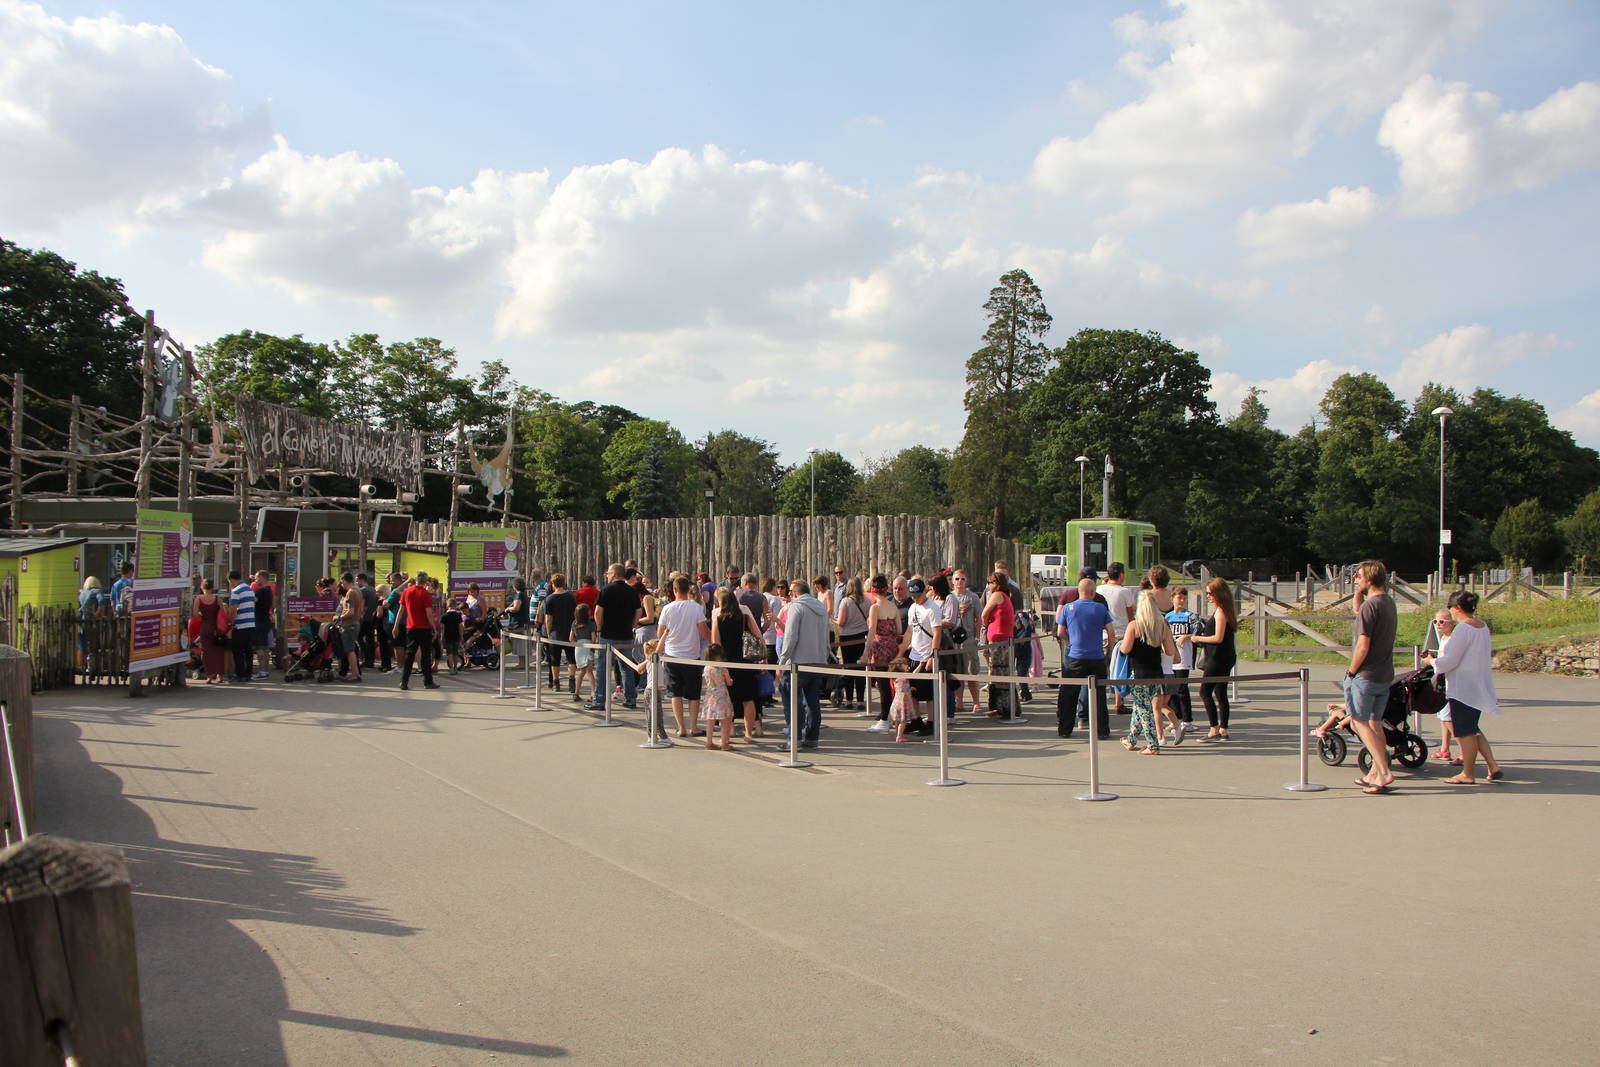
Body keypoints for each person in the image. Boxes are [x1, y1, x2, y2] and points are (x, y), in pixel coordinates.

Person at [1425, 590, 1504, 785]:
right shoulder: (1481, 626)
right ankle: (1492, 765)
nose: (1450, 611)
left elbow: (1451, 660)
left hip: (1463, 687)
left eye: (1450, 607)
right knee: (1473, 728)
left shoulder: (1463, 629)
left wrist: (1431, 662)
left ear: (1458, 608)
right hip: (1478, 684)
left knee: (1465, 732)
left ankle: (1468, 773)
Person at [1337, 561, 1396, 793]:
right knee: (1375, 722)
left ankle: (1383, 771)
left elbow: (1363, 645)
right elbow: (1359, 611)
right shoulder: (1387, 602)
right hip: (1384, 673)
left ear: (1370, 579)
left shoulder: (1371, 607)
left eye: (1359, 576)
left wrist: (1351, 671)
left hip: (1366, 674)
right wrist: (1357, 593)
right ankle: (1375, 771)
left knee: (1358, 721)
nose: (1355, 579)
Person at [1120, 591, 1182, 753]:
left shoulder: (1134, 625)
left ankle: (1153, 745)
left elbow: (1125, 649)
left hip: (1139, 673)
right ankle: (1131, 739)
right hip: (1156, 672)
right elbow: (1170, 651)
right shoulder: (1161, 625)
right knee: (1139, 705)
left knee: (1143, 708)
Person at [1056, 575, 1115, 738]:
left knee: (1069, 693)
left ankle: (1065, 729)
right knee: (1099, 695)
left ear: (1079, 591)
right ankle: (1102, 730)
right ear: (1093, 592)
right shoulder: (1101, 608)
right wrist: (1108, 651)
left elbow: (1060, 632)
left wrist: (1070, 642)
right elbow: (1111, 633)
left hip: (1075, 656)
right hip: (1096, 656)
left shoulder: (1068, 608)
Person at [778, 576, 831, 749]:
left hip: (799, 662)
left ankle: (794, 738)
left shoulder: (796, 607)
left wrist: (782, 661)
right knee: (812, 700)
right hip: (818, 660)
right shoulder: (821, 608)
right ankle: (812, 737)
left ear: (794, 593)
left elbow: (790, 636)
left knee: (792, 700)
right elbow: (827, 635)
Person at [657, 575, 712, 737]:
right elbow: (704, 631)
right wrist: (715, 644)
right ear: (688, 589)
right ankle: (693, 726)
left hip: (672, 655)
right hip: (692, 656)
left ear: (674, 590)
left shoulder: (667, 609)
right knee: (694, 694)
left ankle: (681, 727)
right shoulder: (696, 608)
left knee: (675, 693)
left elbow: (660, 633)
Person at [711, 588, 764, 741]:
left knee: (728, 700)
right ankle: (748, 733)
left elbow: (716, 644)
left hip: (727, 663)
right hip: (746, 662)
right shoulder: (745, 618)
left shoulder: (718, 619)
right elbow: (759, 637)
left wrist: (717, 665)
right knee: (748, 699)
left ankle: (729, 731)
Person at [1191, 578, 1239, 742]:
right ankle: (1223, 729)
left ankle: (1214, 729)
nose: (1208, 596)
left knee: (1205, 692)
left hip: (1217, 657)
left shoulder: (1220, 612)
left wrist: (1198, 638)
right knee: (1220, 693)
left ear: (1219, 593)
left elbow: (1218, 637)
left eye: (1210, 593)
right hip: (1224, 656)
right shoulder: (1225, 610)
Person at [591, 564, 642, 710]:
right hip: (626, 634)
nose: (607, 576)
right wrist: (632, 625)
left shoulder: (606, 590)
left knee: (603, 668)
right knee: (626, 667)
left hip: (608, 634)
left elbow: (597, 611)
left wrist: (600, 627)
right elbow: (639, 611)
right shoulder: (632, 591)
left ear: (613, 574)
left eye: (608, 573)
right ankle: (630, 698)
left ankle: (600, 700)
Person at [898, 577, 943, 735]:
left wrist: (932, 655)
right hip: (914, 654)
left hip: (927, 655)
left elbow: (937, 633)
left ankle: (931, 722)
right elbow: (910, 631)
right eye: (913, 596)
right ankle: (916, 720)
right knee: (912, 691)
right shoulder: (913, 608)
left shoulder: (932, 608)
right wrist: (901, 652)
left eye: (917, 595)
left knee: (929, 693)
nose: (915, 599)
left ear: (924, 592)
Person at [863, 575, 903, 732]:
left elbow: (872, 631)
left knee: (883, 686)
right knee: (890, 685)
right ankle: (889, 717)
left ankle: (884, 719)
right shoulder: (893, 607)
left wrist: (865, 653)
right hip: (892, 647)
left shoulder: (875, 608)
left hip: (879, 648)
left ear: (873, 590)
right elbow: (899, 630)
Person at [1099, 562, 1137, 713]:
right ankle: (1118, 701)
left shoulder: (1099, 589)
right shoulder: (1125, 592)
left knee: (1103, 667)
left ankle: (1100, 698)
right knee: (1120, 668)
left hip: (1103, 634)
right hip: (1121, 634)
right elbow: (1130, 614)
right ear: (1121, 574)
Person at [947, 570, 985, 714]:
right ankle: (959, 702)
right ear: (952, 581)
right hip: (954, 640)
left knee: (972, 672)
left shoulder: (973, 597)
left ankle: (976, 703)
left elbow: (979, 618)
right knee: (958, 673)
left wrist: (977, 637)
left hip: (969, 639)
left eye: (963, 579)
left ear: (966, 581)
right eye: (957, 579)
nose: (960, 582)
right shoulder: (949, 597)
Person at [980, 570, 1017, 718]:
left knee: (998, 672)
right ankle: (1001, 706)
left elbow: (984, 613)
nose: (989, 586)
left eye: (990, 583)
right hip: (1003, 637)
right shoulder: (1006, 596)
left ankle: (1004, 708)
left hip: (998, 638)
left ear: (996, 584)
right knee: (1000, 672)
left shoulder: (997, 595)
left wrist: (986, 623)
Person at [397, 569, 440, 690]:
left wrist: (396, 626)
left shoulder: (407, 592)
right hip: (424, 628)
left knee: (409, 655)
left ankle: (404, 681)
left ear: (415, 579)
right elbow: (429, 614)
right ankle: (428, 681)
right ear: (425, 581)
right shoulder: (426, 594)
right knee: (425, 656)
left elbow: (401, 610)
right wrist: (434, 628)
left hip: (411, 627)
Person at [1426, 609, 1459, 762]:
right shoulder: (1444, 637)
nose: (1438, 624)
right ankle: (1445, 749)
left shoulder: (1453, 639)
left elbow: (1448, 662)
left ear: (1452, 623)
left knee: (1446, 718)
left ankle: (1464, 749)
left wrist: (1431, 661)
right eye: (1435, 621)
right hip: (1443, 681)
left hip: (1450, 682)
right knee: (1443, 716)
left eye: (1442, 622)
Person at [834, 577, 871, 710]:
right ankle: (860, 701)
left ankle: (849, 700)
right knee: (860, 669)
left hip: (847, 637)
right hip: (862, 636)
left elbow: (841, 622)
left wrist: (834, 621)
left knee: (849, 668)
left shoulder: (845, 601)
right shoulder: (867, 601)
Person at [1164, 587, 1198, 725]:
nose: (1182, 601)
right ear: (1172, 598)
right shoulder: (1167, 617)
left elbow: (1197, 633)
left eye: (1184, 598)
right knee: (1171, 689)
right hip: (1170, 656)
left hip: (1184, 656)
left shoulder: (1191, 616)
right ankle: (1175, 719)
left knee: (1182, 688)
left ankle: (1187, 720)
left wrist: (1185, 636)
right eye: (1179, 598)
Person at [539, 573, 578, 692]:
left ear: (553, 584)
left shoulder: (549, 599)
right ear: (563, 583)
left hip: (555, 633)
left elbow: (548, 618)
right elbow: (575, 614)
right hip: (569, 631)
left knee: (555, 659)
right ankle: (572, 680)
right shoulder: (571, 597)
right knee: (571, 658)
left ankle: (556, 682)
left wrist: (549, 631)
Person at [700, 644, 736, 750]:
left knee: (710, 721)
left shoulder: (706, 668)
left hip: (710, 696)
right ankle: (724, 743)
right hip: (722, 696)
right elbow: (729, 683)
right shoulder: (722, 669)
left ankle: (709, 742)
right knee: (724, 721)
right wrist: (730, 680)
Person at [195, 578, 231, 684]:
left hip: (205, 627)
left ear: (202, 587)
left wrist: (202, 614)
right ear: (212, 587)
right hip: (216, 628)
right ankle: (219, 676)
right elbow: (224, 613)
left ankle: (209, 676)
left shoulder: (198, 599)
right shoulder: (217, 599)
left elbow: (195, 614)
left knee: (207, 653)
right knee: (218, 652)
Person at [227, 569, 257, 684]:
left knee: (238, 651)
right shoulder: (249, 589)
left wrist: (231, 623)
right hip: (251, 623)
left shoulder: (236, 591)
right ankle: (248, 673)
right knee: (248, 650)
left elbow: (233, 610)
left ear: (231, 579)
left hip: (240, 625)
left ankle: (240, 674)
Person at [335, 583, 364, 682]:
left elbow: (350, 612)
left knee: (349, 651)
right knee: (351, 649)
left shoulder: (350, 593)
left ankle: (355, 674)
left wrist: (339, 617)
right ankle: (356, 673)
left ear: (344, 581)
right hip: (355, 623)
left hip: (349, 624)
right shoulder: (358, 591)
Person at [886, 655, 918, 742]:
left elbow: (902, 687)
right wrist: (920, 665)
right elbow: (913, 675)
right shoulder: (901, 677)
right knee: (903, 721)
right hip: (903, 701)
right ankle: (899, 736)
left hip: (898, 701)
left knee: (898, 720)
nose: (907, 666)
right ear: (900, 666)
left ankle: (898, 734)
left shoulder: (897, 678)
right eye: (905, 664)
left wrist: (910, 688)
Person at [570, 602, 596, 701]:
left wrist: (577, 643)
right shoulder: (591, 624)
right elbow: (593, 638)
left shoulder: (574, 623)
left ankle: (576, 692)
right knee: (590, 672)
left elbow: (571, 638)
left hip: (579, 647)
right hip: (588, 646)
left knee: (581, 671)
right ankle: (593, 693)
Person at [253, 570, 276, 679]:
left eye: (256, 578)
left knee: (260, 648)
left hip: (259, 622)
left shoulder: (260, 591)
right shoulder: (269, 590)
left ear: (262, 578)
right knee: (266, 648)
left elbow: (252, 602)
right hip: (266, 621)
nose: (255, 580)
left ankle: (262, 671)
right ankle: (265, 671)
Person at [441, 599, 466, 675]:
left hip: (447, 636)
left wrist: (442, 637)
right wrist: (461, 635)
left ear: (447, 606)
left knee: (449, 653)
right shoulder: (458, 615)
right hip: (456, 636)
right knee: (455, 653)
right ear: (455, 606)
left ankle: (451, 668)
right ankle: (455, 668)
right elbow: (460, 626)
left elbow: (442, 628)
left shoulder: (444, 616)